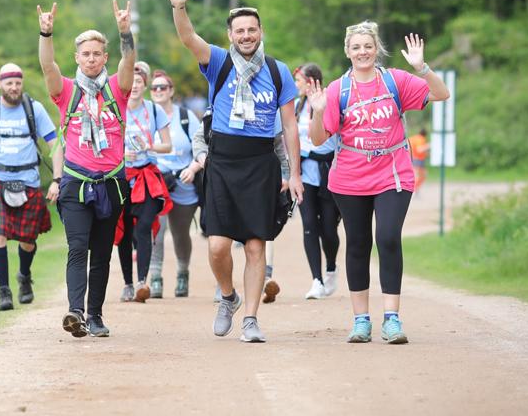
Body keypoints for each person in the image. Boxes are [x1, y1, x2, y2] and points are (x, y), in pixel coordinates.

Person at [167, 0, 302, 343]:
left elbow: (289, 126)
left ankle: (252, 320)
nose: (246, 36)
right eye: (239, 31)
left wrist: (293, 174)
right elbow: (188, 37)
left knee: (257, 244)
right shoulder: (218, 63)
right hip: (223, 162)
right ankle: (228, 296)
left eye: (252, 30)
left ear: (260, 32)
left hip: (261, 163)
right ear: (230, 35)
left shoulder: (278, 71)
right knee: (217, 246)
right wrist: (179, 8)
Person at [307, 21, 450, 344]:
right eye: (356, 47)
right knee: (357, 244)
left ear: (376, 48)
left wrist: (422, 68)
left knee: (387, 238)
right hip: (349, 178)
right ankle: (361, 321)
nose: (362, 52)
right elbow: (317, 140)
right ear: (347, 52)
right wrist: (317, 113)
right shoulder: (336, 90)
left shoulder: (396, 80)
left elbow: (442, 94)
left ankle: (392, 320)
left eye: (367, 46)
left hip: (393, 173)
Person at [37, 0, 135, 338]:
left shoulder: (117, 90)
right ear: (76, 58)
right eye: (85, 54)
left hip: (110, 184)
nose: (91, 58)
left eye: (97, 53)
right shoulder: (66, 91)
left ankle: (95, 315)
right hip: (76, 184)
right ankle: (75, 311)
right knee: (77, 247)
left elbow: (129, 62)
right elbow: (47, 66)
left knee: (102, 254)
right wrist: (45, 32)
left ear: (104, 58)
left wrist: (125, 33)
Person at [0, 62, 63, 311]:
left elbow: (56, 144)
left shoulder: (34, 109)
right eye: (9, 83)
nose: (14, 87)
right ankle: (3, 291)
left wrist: (58, 180)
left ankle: (24, 276)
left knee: (28, 240)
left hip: (29, 182)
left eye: (18, 83)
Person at [191, 118, 289, 304]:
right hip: (223, 179)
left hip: (256, 177)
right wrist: (204, 160)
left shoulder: (267, 99)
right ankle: (226, 289)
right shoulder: (221, 95)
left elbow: (278, 144)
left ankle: (260, 291)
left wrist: (286, 174)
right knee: (219, 245)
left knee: (255, 243)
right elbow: (199, 137)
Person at [115, 62, 172, 303]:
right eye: (132, 81)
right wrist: (120, 154)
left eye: (139, 82)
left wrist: (150, 146)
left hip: (146, 175)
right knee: (125, 230)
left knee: (145, 226)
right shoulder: (116, 107)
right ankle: (128, 283)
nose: (135, 86)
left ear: (144, 84)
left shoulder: (154, 110)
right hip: (121, 177)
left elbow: (168, 145)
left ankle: (142, 283)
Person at [148, 69, 202, 298]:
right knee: (156, 232)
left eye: (163, 87)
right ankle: (155, 277)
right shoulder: (146, 116)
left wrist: (192, 168)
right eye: (155, 88)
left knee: (180, 233)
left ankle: (182, 273)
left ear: (171, 91)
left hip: (182, 182)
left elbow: (201, 147)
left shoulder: (185, 116)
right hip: (155, 182)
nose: (159, 91)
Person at [294, 63, 342, 300]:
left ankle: (331, 267)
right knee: (310, 226)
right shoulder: (296, 107)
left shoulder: (329, 101)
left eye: (299, 81)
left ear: (312, 81)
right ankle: (317, 280)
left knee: (329, 229)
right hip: (305, 174)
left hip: (329, 172)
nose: (296, 86)